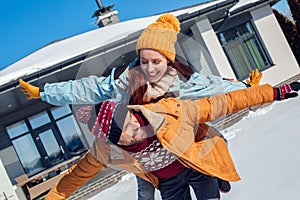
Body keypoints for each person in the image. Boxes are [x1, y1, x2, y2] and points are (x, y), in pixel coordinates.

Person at [19, 13, 263, 199]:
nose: (151, 67)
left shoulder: (182, 81)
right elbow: (86, 88)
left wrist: (245, 87)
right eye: (145, 60)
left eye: (157, 61)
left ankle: (217, 175)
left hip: (179, 142)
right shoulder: (124, 80)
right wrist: (44, 92)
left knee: (213, 142)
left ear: (168, 60)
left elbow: (214, 88)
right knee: (145, 187)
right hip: (140, 146)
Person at [45, 82, 299, 199]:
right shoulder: (104, 150)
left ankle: (218, 177)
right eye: (130, 133)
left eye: (134, 120)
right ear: (115, 141)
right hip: (166, 182)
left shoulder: (168, 112)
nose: (138, 128)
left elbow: (223, 103)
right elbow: (75, 176)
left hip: (194, 165)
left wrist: (274, 92)